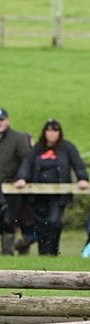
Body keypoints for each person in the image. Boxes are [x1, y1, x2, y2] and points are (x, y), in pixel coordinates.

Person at [13, 119, 90, 255]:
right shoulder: (38, 148)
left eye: (55, 130)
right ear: (44, 132)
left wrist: (82, 178)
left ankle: (52, 253)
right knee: (41, 224)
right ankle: (43, 254)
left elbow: (78, 164)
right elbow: (27, 164)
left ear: (59, 133)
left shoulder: (67, 148)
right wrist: (21, 178)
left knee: (53, 222)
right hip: (39, 195)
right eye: (48, 130)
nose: (51, 134)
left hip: (58, 195)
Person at [0, 107, 33, 255]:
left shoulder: (17, 138)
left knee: (8, 221)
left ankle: (8, 253)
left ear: (7, 120)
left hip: (9, 188)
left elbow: (27, 160)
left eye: (1, 120)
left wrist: (22, 177)